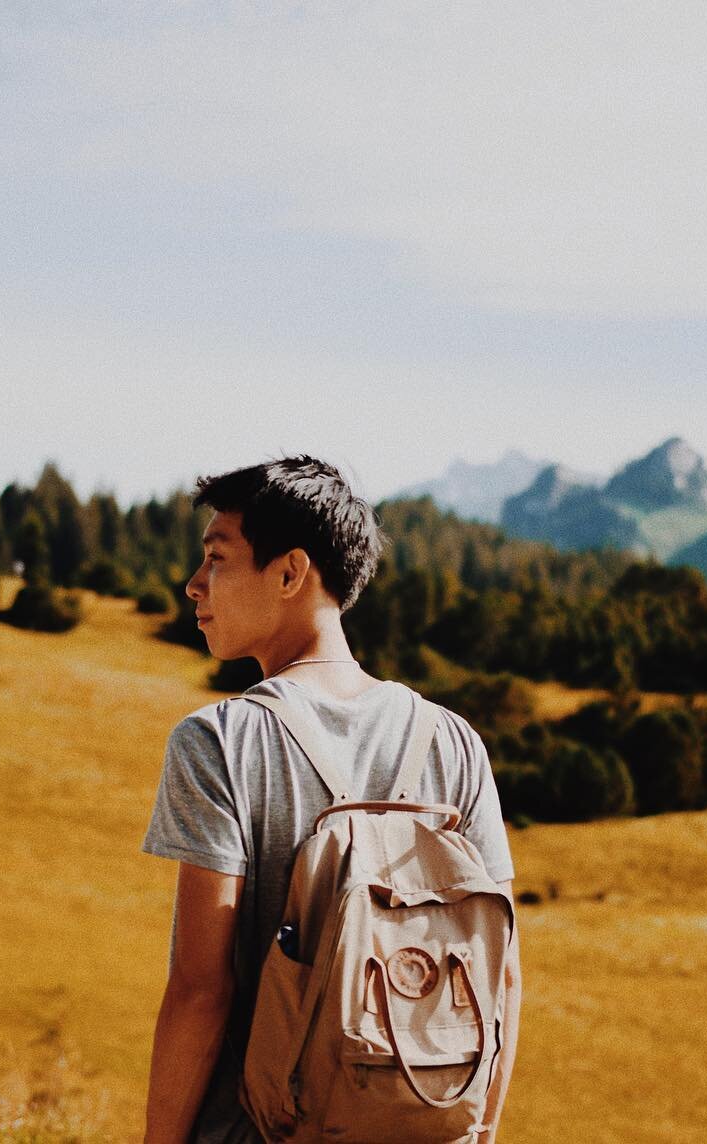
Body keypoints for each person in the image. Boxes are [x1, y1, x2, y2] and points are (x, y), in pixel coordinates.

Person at [141, 456, 519, 1143]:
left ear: (291, 573)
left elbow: (203, 991)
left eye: (217, 559)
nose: (194, 585)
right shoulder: (455, 743)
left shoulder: (220, 741)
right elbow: (502, 979)